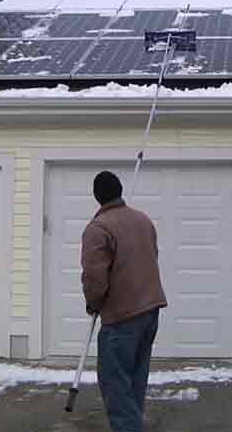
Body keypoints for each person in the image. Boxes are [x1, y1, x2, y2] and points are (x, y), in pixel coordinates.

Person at [81, 171, 167, 432]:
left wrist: (93, 303)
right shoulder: (143, 220)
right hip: (150, 311)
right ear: (120, 190)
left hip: (122, 318)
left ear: (97, 196)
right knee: (134, 383)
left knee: (116, 387)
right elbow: (151, 255)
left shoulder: (98, 229)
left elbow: (95, 278)